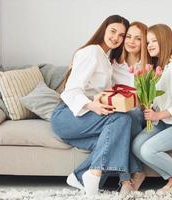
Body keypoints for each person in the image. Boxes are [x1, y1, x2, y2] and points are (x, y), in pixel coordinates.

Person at [109, 22, 172, 195]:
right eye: (148, 42)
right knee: (136, 146)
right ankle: (171, 178)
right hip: (164, 120)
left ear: (165, 41)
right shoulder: (158, 67)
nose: (150, 45)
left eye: (154, 41)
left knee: (148, 150)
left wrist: (157, 115)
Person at [50, 15, 132, 196]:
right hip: (67, 116)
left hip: (84, 119)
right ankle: (92, 176)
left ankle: (79, 177)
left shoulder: (106, 59)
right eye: (113, 31)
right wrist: (92, 106)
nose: (116, 38)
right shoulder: (92, 52)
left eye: (121, 35)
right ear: (104, 29)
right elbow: (71, 91)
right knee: (122, 119)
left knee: (117, 141)